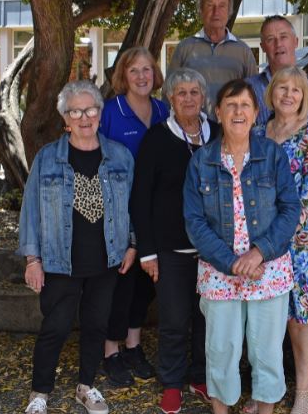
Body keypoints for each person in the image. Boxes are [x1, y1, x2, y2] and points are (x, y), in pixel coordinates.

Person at [183, 79, 301, 414]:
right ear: (217, 112)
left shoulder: (272, 156)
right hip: (220, 273)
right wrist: (231, 262)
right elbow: (194, 222)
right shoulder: (201, 161)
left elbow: (290, 208)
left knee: (266, 353)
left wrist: (258, 252)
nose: (238, 111)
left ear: (256, 113)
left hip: (269, 270)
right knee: (221, 350)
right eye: (230, 105)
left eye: (245, 105)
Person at [19, 80, 135, 414]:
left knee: (96, 326)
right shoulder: (48, 158)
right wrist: (32, 259)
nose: (84, 117)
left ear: (100, 113)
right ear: (65, 119)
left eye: (90, 109)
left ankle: (86, 386)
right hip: (59, 261)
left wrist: (132, 246)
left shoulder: (121, 157)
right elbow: (31, 212)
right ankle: (39, 393)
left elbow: (134, 206)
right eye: (75, 111)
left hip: (107, 259)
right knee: (54, 327)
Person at [132, 68, 220, 413]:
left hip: (213, 249)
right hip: (170, 249)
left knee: (207, 318)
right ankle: (171, 382)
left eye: (194, 92)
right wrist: (147, 252)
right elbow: (141, 198)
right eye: (180, 93)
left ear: (203, 97)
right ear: (170, 98)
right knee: (173, 318)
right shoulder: (156, 138)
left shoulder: (218, 134)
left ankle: (199, 374)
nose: (187, 98)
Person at [259, 66, 308, 414]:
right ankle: (269, 390)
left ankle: (303, 392)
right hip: (261, 242)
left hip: (302, 242)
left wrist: (277, 230)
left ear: (305, 97)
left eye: (296, 90)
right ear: (271, 92)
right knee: (268, 318)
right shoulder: (258, 134)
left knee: (301, 317)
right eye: (282, 88)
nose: (288, 95)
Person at [98, 46, 168, 386]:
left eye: (147, 70)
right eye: (134, 70)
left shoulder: (163, 110)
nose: (142, 76)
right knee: (121, 282)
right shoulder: (111, 112)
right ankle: (110, 350)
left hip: (156, 214)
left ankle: (133, 345)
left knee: (146, 284)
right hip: (119, 213)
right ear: (122, 76)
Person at [170, 0, 259, 117]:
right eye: (210, 5)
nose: (216, 11)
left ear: (229, 11)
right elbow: (169, 92)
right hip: (192, 130)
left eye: (222, 6)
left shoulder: (243, 51)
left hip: (230, 129)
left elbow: (254, 95)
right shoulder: (184, 48)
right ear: (200, 10)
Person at [247, 15, 308, 143]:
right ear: (262, 47)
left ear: (296, 41)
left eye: (283, 37)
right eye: (271, 39)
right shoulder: (249, 90)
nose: (278, 44)